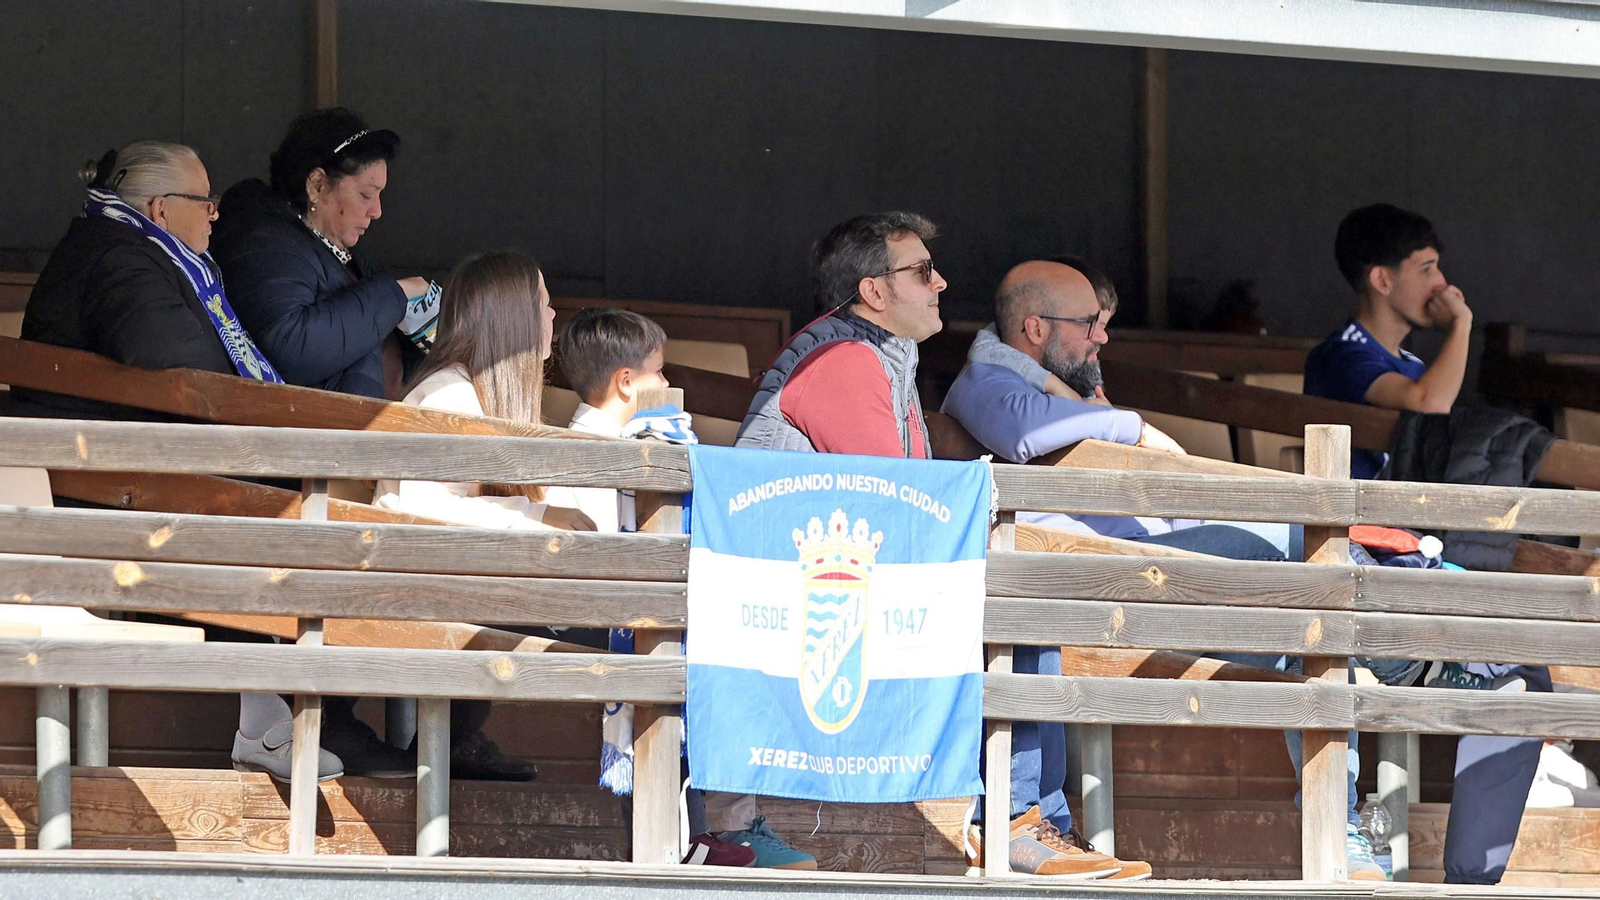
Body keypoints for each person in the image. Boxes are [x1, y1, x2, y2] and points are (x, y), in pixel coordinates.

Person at [1306, 204, 1546, 885]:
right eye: (1427, 269)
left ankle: (1474, 879)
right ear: (1381, 279)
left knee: (1528, 663)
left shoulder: (1409, 356)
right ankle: (1464, 869)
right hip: (1354, 558)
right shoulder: (1342, 353)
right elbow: (1427, 405)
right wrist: (1465, 324)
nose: (1443, 284)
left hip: (1407, 556)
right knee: (1507, 659)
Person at [12, 141, 286, 422]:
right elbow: (172, 353)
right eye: (205, 201)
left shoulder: (120, 244)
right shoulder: (118, 258)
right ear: (161, 209)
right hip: (92, 445)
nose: (214, 213)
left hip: (114, 433)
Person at [211, 107, 437, 400]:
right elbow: (290, 347)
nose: (377, 211)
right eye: (366, 195)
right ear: (317, 186)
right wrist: (397, 294)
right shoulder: (261, 243)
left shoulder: (338, 253)